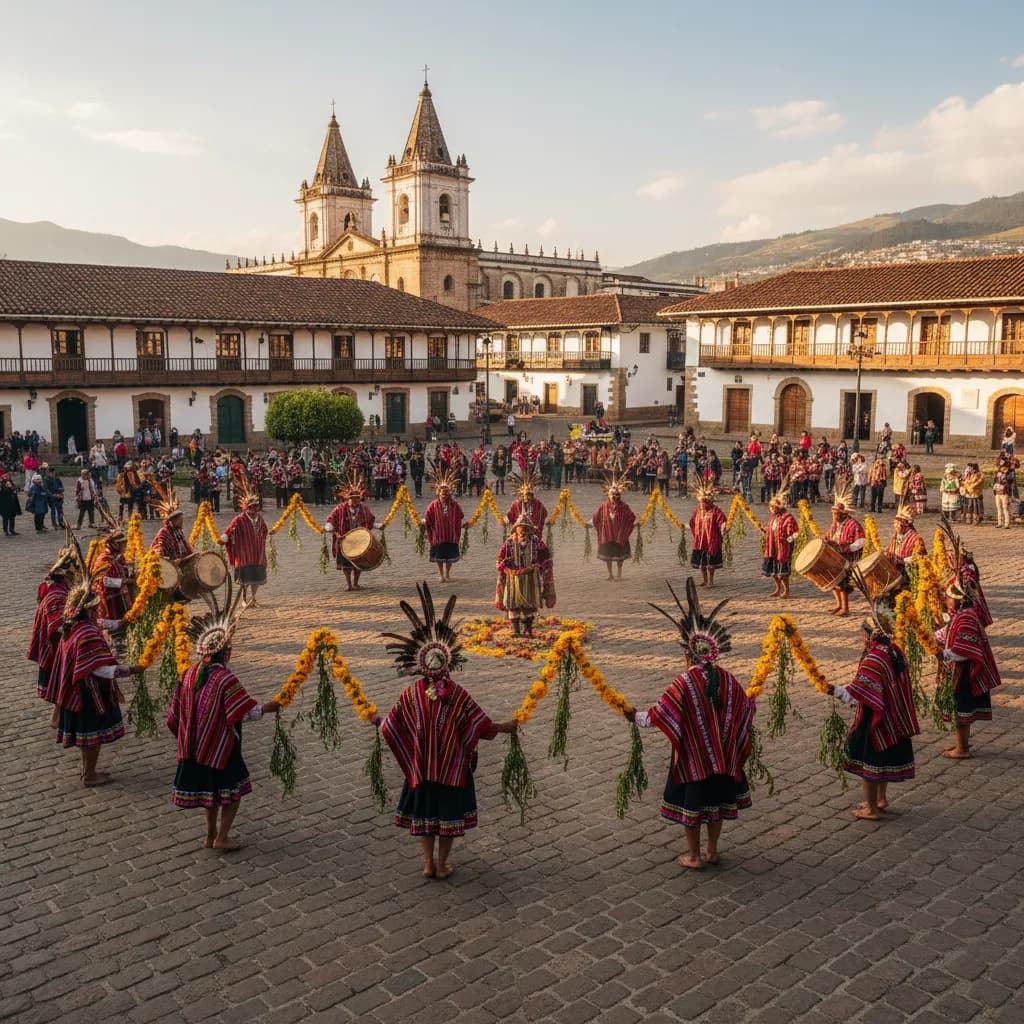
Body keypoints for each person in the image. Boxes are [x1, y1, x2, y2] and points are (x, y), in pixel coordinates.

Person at [380, 584, 518, 879]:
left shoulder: (412, 694)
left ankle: (428, 863)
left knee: (426, 817)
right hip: (452, 771)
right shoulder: (457, 694)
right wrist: (507, 727)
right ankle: (442, 865)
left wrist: (376, 720)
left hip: (422, 770)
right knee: (447, 820)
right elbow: (482, 727)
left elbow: (391, 724)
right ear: (448, 662)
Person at [628, 579, 755, 870]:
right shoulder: (727, 678)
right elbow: (746, 708)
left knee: (693, 808)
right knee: (717, 807)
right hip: (722, 760)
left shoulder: (684, 682)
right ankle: (711, 850)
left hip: (693, 761)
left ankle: (694, 856)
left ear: (689, 654)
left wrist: (632, 716)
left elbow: (659, 715)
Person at [168, 583, 280, 851]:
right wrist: (269, 707)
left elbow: (174, 716)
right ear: (225, 652)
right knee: (232, 793)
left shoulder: (190, 674)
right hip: (221, 748)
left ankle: (210, 835)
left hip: (195, 748)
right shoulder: (225, 679)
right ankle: (222, 837)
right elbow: (247, 712)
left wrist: (187, 738)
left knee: (211, 795)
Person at [830, 611, 919, 820]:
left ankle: (871, 808)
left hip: (876, 719)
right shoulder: (893, 650)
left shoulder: (874, 658)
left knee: (871, 763)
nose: (861, 638)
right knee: (882, 761)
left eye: (861, 633)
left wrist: (831, 689)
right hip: (893, 716)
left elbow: (857, 691)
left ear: (869, 634)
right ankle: (881, 798)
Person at [50, 573, 133, 785]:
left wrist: (123, 622)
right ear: (86, 609)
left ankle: (89, 771)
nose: (97, 609)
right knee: (91, 736)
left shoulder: (74, 625)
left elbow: (103, 625)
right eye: (94, 607)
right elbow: (100, 669)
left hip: (79, 689)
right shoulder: (85, 634)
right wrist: (129, 670)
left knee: (90, 737)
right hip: (87, 693)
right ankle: (89, 775)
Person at [935, 566, 1001, 759]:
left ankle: (962, 748)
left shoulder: (966, 618)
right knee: (960, 709)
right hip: (959, 669)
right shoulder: (960, 614)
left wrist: (943, 654)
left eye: (948, 597)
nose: (946, 600)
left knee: (961, 709)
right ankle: (960, 743)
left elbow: (964, 651)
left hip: (964, 672)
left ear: (957, 598)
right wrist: (931, 638)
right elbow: (948, 632)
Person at [28, 543, 78, 711]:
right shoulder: (56, 596)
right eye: (72, 576)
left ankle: (58, 715)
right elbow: (56, 628)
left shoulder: (61, 590)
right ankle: (58, 716)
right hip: (56, 646)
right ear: (65, 577)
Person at [495, 513, 555, 637]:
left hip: (531, 579)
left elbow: (547, 558)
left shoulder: (537, 542)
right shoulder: (509, 542)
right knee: (513, 605)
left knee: (530, 605)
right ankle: (516, 630)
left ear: (530, 530)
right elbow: (499, 560)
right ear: (515, 529)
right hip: (513, 579)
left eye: (526, 529)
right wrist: (505, 563)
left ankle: (528, 629)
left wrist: (541, 566)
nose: (523, 531)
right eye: (520, 528)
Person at [325, 471, 376, 592]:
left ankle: (356, 583)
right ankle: (348, 584)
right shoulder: (340, 508)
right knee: (346, 564)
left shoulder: (364, 508)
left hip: (359, 540)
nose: (355, 501)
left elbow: (371, 520)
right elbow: (331, 520)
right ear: (347, 498)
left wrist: (378, 526)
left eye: (357, 498)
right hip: (344, 540)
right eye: (352, 499)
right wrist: (331, 529)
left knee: (358, 563)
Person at [221, 485, 269, 606]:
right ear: (246, 508)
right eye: (251, 507)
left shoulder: (260, 519)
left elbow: (264, 531)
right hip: (244, 554)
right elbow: (229, 531)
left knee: (256, 577)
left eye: (256, 507)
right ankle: (244, 599)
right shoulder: (239, 519)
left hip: (257, 553)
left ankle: (253, 598)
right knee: (245, 579)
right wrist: (224, 538)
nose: (254, 510)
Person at [823, 485, 866, 617]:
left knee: (842, 583)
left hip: (847, 558)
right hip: (835, 557)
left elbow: (861, 541)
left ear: (843, 514)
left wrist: (846, 547)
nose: (833, 516)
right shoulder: (835, 524)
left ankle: (845, 608)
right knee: (833, 582)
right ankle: (839, 605)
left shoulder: (854, 524)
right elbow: (829, 536)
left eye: (835, 514)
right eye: (833, 513)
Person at [591, 475, 636, 581]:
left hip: (619, 536)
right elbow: (596, 518)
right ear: (608, 495)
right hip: (608, 536)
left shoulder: (624, 506)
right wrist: (594, 525)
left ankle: (619, 574)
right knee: (608, 557)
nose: (616, 497)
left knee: (620, 557)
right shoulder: (604, 506)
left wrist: (627, 526)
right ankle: (610, 574)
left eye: (617, 495)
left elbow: (632, 517)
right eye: (613, 495)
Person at [423, 471, 464, 583]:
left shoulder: (454, 505)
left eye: (446, 494)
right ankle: (441, 574)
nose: (444, 496)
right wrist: (424, 524)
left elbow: (460, 515)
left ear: (449, 494)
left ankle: (447, 574)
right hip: (438, 535)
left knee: (449, 556)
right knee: (440, 557)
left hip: (451, 535)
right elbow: (427, 517)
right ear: (439, 494)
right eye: (442, 494)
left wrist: (463, 524)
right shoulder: (433, 505)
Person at [760, 480, 799, 598]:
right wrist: (765, 530)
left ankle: (786, 590)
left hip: (783, 548)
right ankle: (777, 588)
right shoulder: (772, 517)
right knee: (773, 571)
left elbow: (795, 531)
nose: (771, 509)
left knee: (783, 572)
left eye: (773, 507)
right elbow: (771, 529)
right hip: (772, 547)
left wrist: (789, 538)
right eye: (771, 507)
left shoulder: (788, 517)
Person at [92, 515, 135, 621]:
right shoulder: (104, 559)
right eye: (123, 545)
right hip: (108, 599)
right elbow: (104, 581)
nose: (125, 547)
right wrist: (125, 581)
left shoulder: (118, 556)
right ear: (115, 545)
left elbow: (123, 568)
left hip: (120, 595)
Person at [689, 480, 727, 587]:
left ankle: (711, 580)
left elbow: (722, 520)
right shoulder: (698, 511)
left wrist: (723, 527)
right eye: (701, 502)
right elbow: (692, 522)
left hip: (711, 541)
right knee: (702, 564)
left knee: (710, 563)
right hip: (700, 541)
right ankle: (704, 580)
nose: (702, 504)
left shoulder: (716, 511)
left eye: (704, 502)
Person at [886, 500, 925, 591]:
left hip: (907, 573)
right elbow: (890, 549)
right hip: (894, 571)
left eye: (897, 523)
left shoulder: (916, 538)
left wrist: (902, 560)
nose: (895, 526)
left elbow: (920, 557)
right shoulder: (896, 536)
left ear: (905, 525)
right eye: (894, 523)